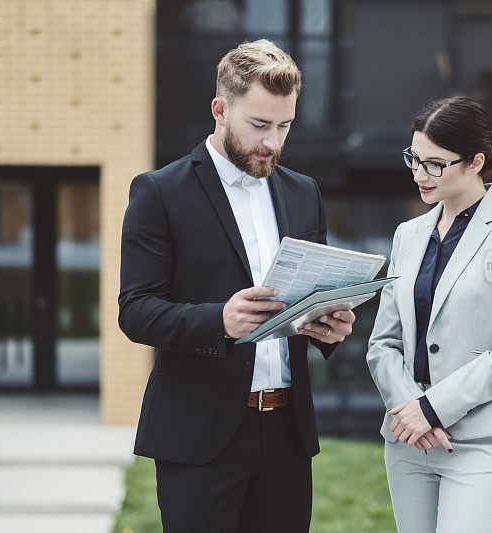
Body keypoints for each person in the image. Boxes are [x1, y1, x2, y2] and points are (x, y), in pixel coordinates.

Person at [118, 39, 355, 532]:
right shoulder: (159, 191)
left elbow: (312, 293)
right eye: (260, 125)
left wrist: (327, 326)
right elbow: (135, 310)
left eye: (284, 126)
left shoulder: (303, 192)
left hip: (287, 432)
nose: (272, 141)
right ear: (220, 110)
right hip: (199, 437)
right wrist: (218, 320)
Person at [366, 95, 492, 532]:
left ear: (475, 161)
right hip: (408, 440)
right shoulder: (407, 234)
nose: (419, 173)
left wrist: (432, 409)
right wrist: (409, 410)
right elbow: (383, 344)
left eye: (435, 164)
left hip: (483, 441)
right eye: (413, 159)